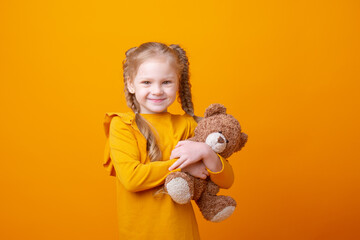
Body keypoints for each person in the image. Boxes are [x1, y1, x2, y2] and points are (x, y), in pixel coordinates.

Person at [103, 42, 234, 240]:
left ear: (178, 83)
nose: (157, 91)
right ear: (131, 84)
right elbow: (132, 179)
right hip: (139, 234)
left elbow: (227, 179)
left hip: (182, 233)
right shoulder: (122, 125)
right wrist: (183, 167)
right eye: (146, 82)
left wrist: (205, 152)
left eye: (166, 82)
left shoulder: (188, 125)